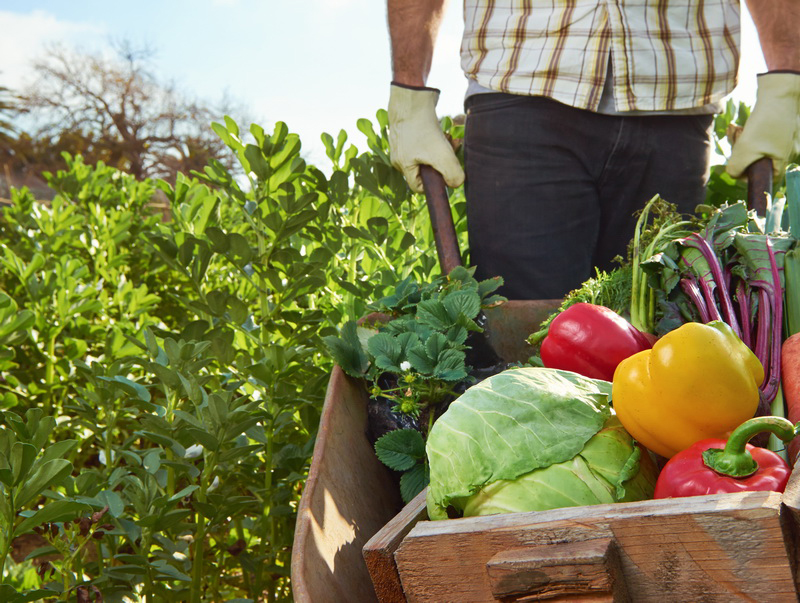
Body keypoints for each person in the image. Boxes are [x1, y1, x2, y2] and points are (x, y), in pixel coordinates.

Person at [386, 0, 800, 301]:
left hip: (675, 96)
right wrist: (409, 91)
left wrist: (787, 78)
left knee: (661, 330)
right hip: (521, 91)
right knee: (524, 341)